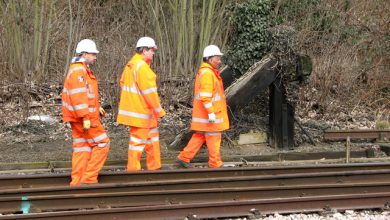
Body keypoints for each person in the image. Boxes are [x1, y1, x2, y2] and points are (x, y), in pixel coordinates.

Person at [62, 39, 110, 186]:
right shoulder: (79, 71)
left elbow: (85, 94)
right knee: (103, 143)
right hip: (85, 118)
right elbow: (78, 96)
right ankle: (88, 180)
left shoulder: (80, 70)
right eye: (93, 54)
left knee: (82, 148)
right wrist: (85, 116)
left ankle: (77, 183)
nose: (95, 56)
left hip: (80, 118)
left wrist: (97, 106)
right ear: (84, 54)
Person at [117, 37, 166, 171]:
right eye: (151, 50)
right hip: (142, 113)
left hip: (141, 113)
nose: (153, 53)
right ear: (144, 50)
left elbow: (122, 83)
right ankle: (134, 172)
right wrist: (159, 111)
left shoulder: (130, 65)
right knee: (138, 145)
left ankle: (155, 168)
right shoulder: (142, 68)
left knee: (152, 141)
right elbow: (150, 94)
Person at [176, 45, 229, 168]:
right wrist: (211, 112)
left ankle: (184, 158)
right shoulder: (207, 74)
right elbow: (205, 96)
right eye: (218, 58)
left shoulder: (207, 72)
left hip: (205, 114)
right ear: (210, 59)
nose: (220, 61)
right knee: (213, 136)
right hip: (210, 115)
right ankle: (215, 164)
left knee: (200, 136)